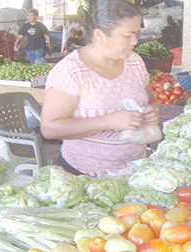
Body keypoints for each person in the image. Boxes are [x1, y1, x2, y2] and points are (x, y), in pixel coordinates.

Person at [40, 0, 160, 177]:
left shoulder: (134, 62)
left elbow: (150, 100)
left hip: (135, 171)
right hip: (84, 177)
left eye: (137, 34)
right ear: (99, 35)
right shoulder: (71, 71)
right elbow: (49, 128)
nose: (135, 41)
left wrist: (152, 110)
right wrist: (107, 121)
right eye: (128, 36)